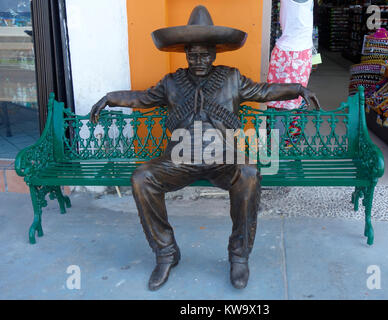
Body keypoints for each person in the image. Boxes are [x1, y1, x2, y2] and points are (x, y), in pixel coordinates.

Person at [90, 5, 320, 291]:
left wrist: (298, 88)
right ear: (185, 54)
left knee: (248, 173)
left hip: (224, 157)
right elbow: (142, 98)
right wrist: (110, 97)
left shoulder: (232, 78)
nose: (198, 60)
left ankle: (239, 255)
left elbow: (264, 91)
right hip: (180, 157)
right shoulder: (172, 82)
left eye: (205, 54)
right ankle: (166, 252)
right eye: (192, 54)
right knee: (142, 178)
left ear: (215, 53)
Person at [267, 0, 315, 143]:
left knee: (289, 104)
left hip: (296, 53)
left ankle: (281, 147)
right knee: (282, 105)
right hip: (291, 55)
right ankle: (276, 150)